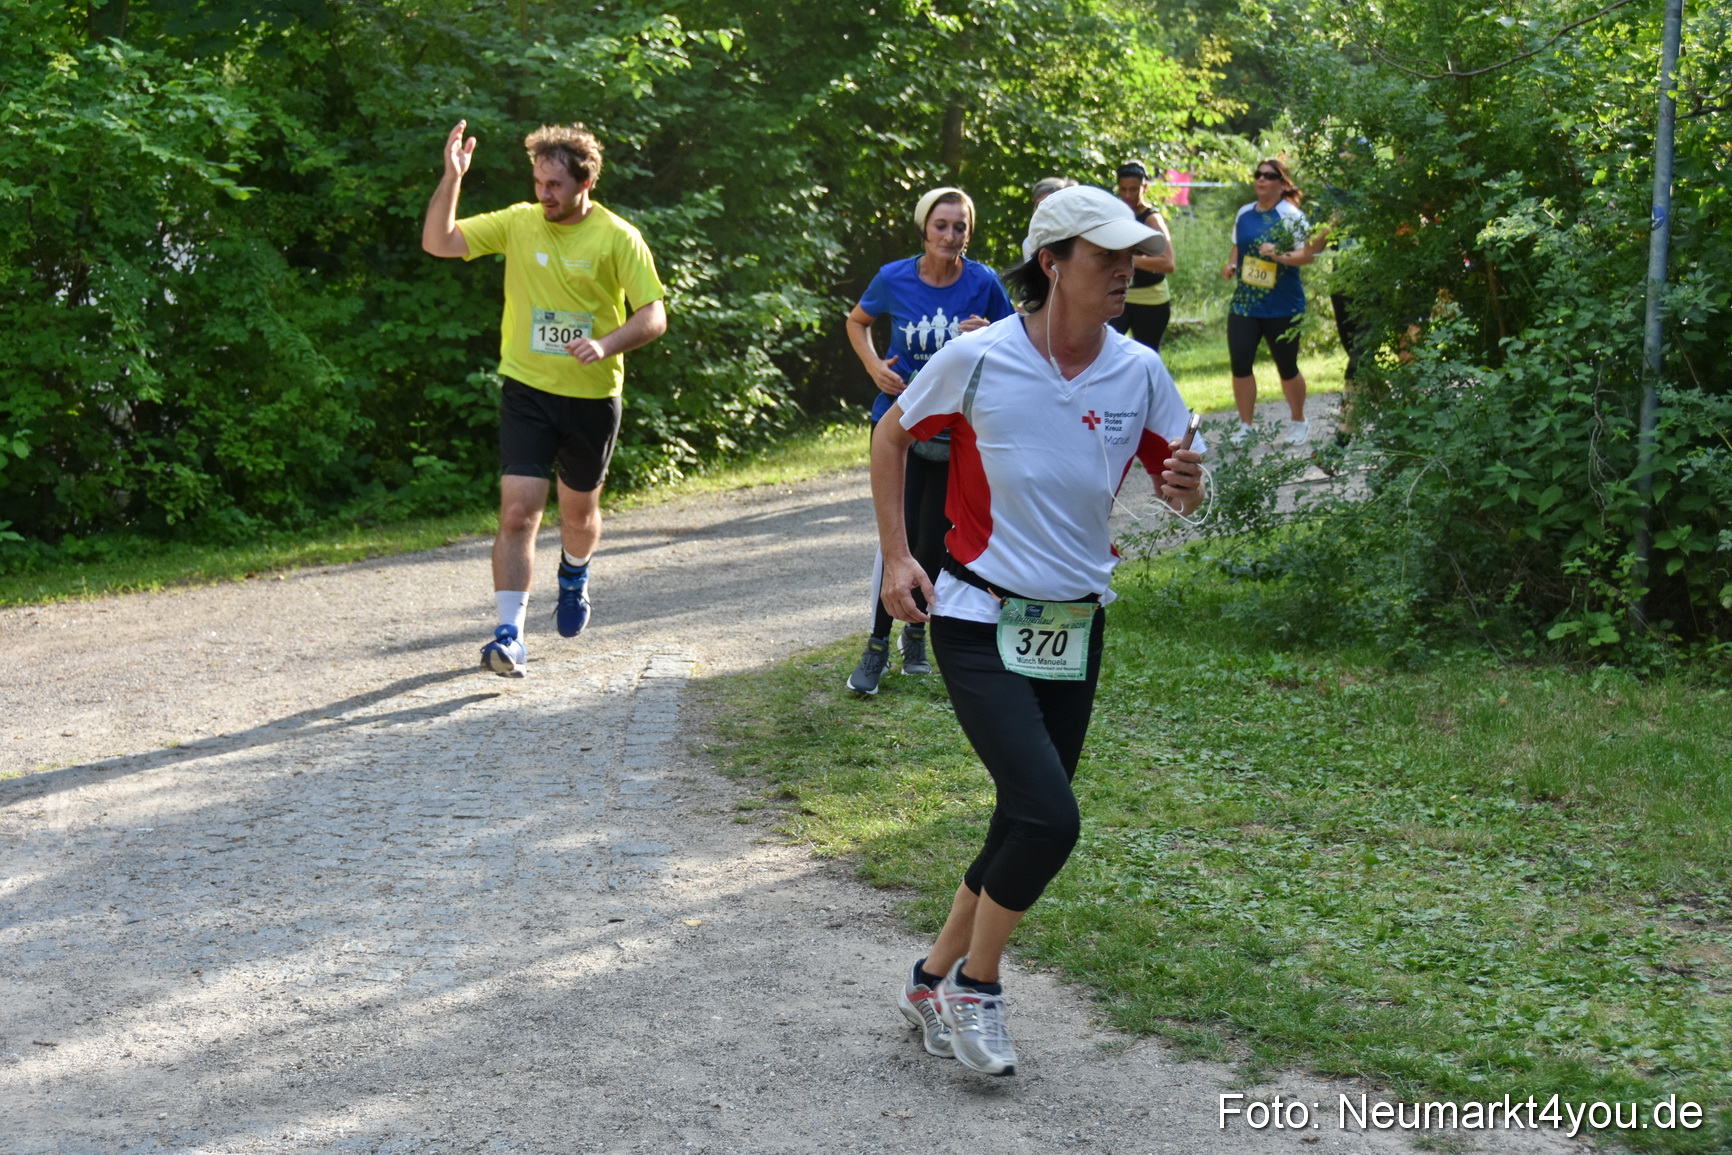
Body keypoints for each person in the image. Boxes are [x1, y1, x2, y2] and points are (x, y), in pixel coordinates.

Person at [871, 185, 1203, 1075]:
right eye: (1105, 258)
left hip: (1073, 626)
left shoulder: (1138, 370)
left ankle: (929, 976)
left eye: (1131, 258)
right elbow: (892, 436)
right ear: (1052, 263)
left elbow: (1180, 470)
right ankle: (978, 989)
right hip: (977, 616)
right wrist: (900, 557)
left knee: (1022, 811)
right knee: (1051, 818)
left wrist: (1185, 487)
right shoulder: (981, 358)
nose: (1124, 272)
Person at [422, 120, 666, 678]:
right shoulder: (518, 223)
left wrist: (605, 344)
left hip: (591, 397)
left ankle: (575, 574)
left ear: (585, 184)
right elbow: (439, 241)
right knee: (517, 511)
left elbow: (654, 315)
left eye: (554, 185)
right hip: (527, 389)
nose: (543, 194)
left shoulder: (617, 236)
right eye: (538, 182)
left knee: (578, 515)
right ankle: (509, 635)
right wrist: (451, 178)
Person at [842, 188, 1015, 695]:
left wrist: (987, 331)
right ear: (924, 227)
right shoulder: (894, 277)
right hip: (896, 425)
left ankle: (915, 632)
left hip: (953, 428)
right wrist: (874, 366)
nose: (950, 235)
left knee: (934, 536)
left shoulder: (982, 281)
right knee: (892, 539)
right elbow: (857, 321)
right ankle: (875, 646)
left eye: (960, 227)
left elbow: (1015, 338)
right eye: (941, 225)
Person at [1221, 157, 1315, 447]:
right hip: (1245, 304)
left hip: (1283, 305)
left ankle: (1299, 420)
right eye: (1258, 175)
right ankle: (1246, 426)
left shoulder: (1291, 216)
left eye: (1269, 176)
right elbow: (1239, 247)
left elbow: (1307, 256)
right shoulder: (1244, 214)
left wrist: (1278, 255)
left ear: (1282, 183)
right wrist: (1231, 265)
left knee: (1286, 366)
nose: (1262, 180)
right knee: (1240, 362)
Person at [1108, 160, 1176, 353]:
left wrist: (1128, 260)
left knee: (1147, 357)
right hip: (1119, 295)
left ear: (1145, 188)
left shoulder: (1152, 219)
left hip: (1150, 299)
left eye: (1134, 190)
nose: (1128, 195)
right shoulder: (1115, 215)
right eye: (1123, 189)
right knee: (1108, 352)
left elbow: (1168, 263)